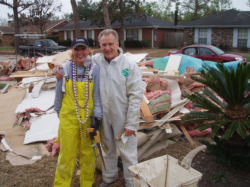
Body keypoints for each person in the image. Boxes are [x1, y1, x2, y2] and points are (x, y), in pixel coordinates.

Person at [55, 29, 143, 187]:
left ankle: (132, 183)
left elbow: (136, 96)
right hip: (103, 116)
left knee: (127, 152)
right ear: (99, 46)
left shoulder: (129, 65)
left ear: (117, 44)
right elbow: (76, 60)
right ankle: (109, 178)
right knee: (107, 148)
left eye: (110, 44)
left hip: (122, 116)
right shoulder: (95, 61)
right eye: (104, 45)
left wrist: (131, 123)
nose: (107, 48)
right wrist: (58, 68)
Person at [54, 36, 102, 187]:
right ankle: (61, 184)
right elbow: (57, 96)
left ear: (88, 50)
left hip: (88, 119)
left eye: (83, 49)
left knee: (88, 154)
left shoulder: (95, 69)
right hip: (68, 119)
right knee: (66, 155)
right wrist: (60, 115)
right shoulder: (64, 69)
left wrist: (98, 117)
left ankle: (87, 183)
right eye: (77, 49)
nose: (80, 52)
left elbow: (97, 95)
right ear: (72, 51)